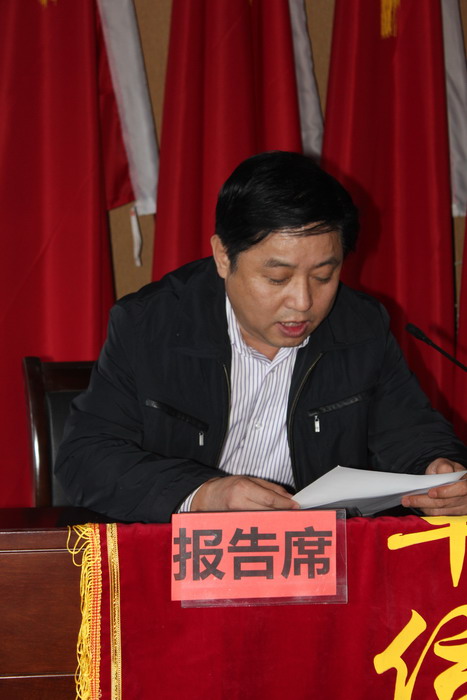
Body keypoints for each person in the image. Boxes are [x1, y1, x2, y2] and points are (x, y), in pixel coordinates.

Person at [56, 151, 467, 522]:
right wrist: (204, 494)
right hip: (185, 554)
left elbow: (410, 432)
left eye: (324, 276)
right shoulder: (150, 325)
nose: (303, 302)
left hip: (314, 556)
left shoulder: (361, 326)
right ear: (223, 256)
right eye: (277, 278)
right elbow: (85, 458)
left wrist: (439, 469)